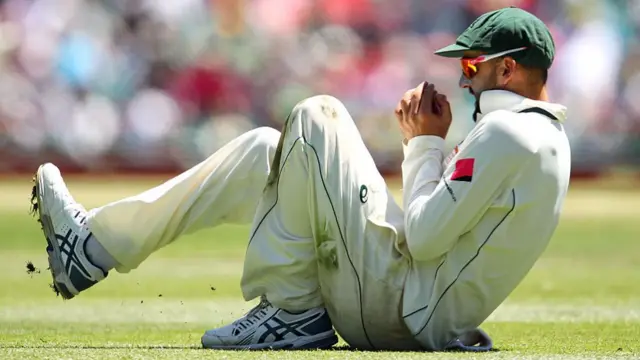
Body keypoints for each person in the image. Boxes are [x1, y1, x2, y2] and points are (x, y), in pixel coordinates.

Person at [30, 7, 570, 351]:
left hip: (399, 314)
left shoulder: (511, 134)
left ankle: (292, 312)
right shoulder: (535, 138)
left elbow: (424, 238)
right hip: (412, 303)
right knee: (271, 149)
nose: (462, 79)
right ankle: (91, 248)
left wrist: (422, 144)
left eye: (473, 68)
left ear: (507, 71)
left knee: (316, 114)